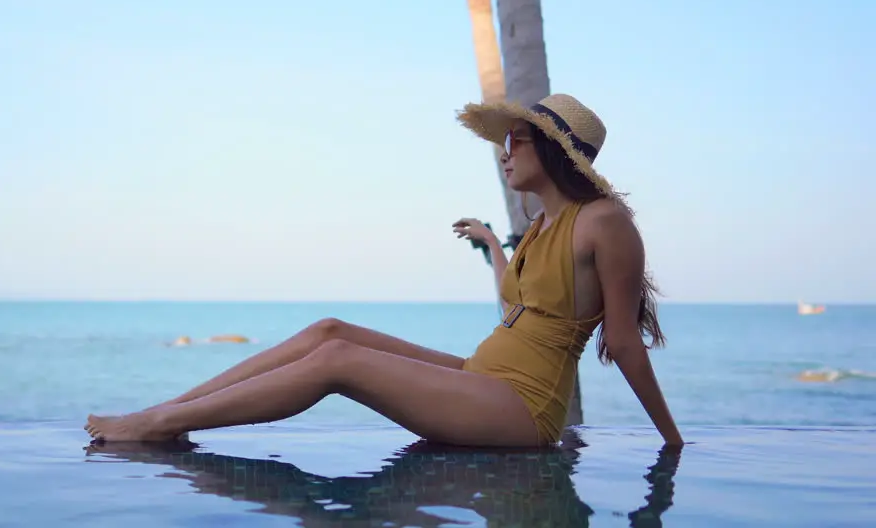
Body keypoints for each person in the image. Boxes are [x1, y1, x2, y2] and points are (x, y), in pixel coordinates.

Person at [86, 94, 683, 448]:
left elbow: (624, 342)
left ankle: (159, 424)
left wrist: (672, 442)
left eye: (517, 141)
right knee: (329, 331)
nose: (505, 150)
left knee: (338, 364)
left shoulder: (605, 221)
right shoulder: (541, 226)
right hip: (483, 374)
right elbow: (522, 309)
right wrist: (490, 245)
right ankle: (170, 411)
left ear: (553, 149)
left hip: (524, 406)